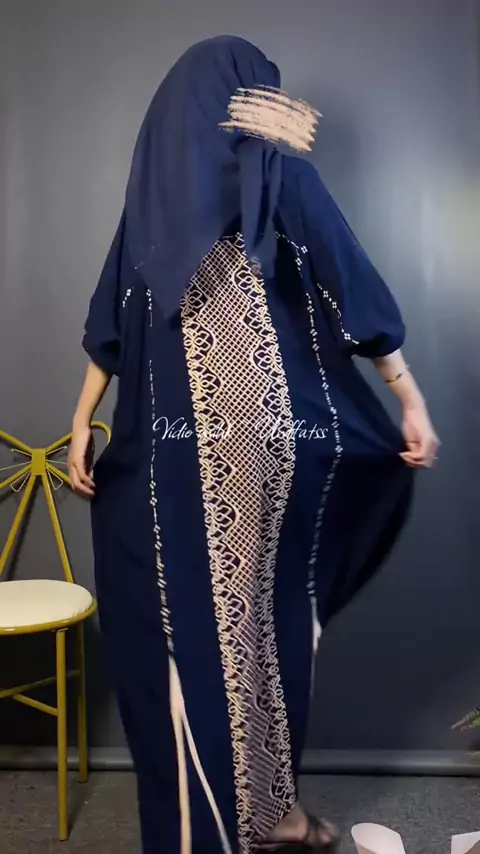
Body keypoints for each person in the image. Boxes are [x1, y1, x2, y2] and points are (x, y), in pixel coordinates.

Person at [68, 35, 439, 854]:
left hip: (169, 454)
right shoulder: (279, 179)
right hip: (264, 443)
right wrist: (407, 397)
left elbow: (109, 324)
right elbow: (353, 289)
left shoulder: (156, 201)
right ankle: (271, 815)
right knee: (248, 632)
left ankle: (249, 817)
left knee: (194, 635)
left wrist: (82, 419)